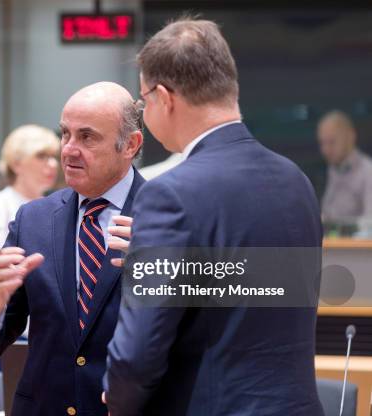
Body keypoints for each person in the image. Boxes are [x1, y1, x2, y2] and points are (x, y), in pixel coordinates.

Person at [104, 18, 323, 415]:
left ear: (164, 98)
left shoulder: (168, 193)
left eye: (143, 101)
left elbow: (136, 356)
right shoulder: (297, 181)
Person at [0, 81, 145, 415]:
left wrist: (162, 268)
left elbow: (210, 333)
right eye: (65, 134)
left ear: (130, 145)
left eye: (87, 137)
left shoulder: (169, 216)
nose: (68, 149)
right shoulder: (33, 219)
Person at [0, 124, 59, 297]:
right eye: (41, 156)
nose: (53, 164)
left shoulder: (58, 205)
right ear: (16, 164)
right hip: (7, 310)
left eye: (53, 156)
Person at [317, 110, 372, 223]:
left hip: (354, 240)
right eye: (322, 143)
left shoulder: (368, 172)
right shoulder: (333, 168)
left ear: (351, 136)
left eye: (332, 142)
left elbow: (370, 223)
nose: (325, 150)